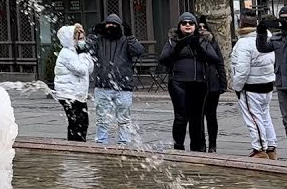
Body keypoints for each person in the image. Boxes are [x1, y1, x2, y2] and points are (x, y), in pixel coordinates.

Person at [159, 12, 224, 152]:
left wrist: (199, 48)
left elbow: (215, 59)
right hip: (178, 82)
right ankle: (178, 146)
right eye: (184, 23)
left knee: (197, 117)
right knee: (180, 116)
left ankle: (196, 148)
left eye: (191, 23)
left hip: (199, 83)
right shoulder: (172, 41)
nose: (187, 25)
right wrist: (178, 47)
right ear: (179, 26)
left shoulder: (203, 40)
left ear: (195, 26)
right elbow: (163, 59)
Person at [88, 14, 145, 146]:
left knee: (124, 119)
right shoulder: (99, 40)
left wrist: (130, 36)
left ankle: (124, 144)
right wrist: (93, 34)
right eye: (109, 24)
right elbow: (85, 48)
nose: (111, 26)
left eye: (114, 24)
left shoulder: (126, 40)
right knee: (102, 120)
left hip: (123, 87)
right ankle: (101, 143)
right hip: (103, 86)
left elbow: (139, 51)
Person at [231, 13, 278, 159]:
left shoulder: (244, 43)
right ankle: (271, 146)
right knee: (265, 116)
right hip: (267, 83)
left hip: (251, 86)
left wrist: (237, 87)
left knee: (253, 118)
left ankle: (259, 149)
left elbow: (242, 70)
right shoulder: (267, 37)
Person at [256, 5, 287, 161]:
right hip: (282, 85)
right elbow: (263, 48)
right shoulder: (277, 37)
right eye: (282, 19)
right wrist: (261, 32)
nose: (285, 21)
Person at [53, 23, 93, 142]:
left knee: (83, 122)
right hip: (68, 94)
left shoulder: (77, 52)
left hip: (77, 93)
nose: (81, 41)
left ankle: (78, 145)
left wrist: (84, 53)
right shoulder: (67, 53)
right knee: (76, 123)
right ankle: (75, 146)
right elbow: (81, 70)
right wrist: (83, 55)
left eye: (82, 38)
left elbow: (90, 68)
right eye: (78, 39)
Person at [198, 15, 229, 153]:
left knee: (211, 116)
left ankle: (212, 145)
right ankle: (201, 144)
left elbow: (219, 63)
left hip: (212, 84)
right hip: (198, 83)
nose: (202, 29)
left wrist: (223, 82)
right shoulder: (193, 43)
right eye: (199, 27)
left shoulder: (213, 43)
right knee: (198, 116)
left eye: (204, 27)